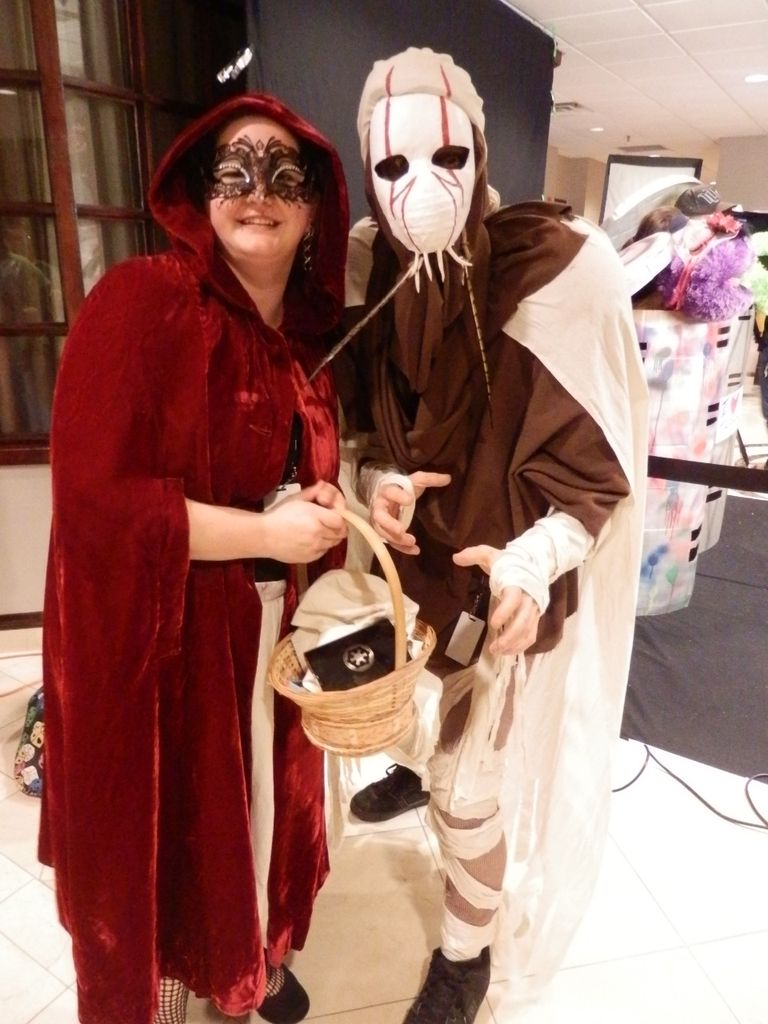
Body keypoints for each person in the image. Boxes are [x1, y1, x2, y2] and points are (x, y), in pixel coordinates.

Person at [331, 48, 649, 1023]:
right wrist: (379, 483)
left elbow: (596, 475)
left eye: (445, 157)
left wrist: (529, 564)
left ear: (477, 147)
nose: (421, 189)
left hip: (508, 583)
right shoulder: (369, 265)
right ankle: (417, 777)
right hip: (422, 576)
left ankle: (465, 957)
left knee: (473, 796)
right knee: (423, 728)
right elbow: (359, 429)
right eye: (392, 167)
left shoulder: (558, 268)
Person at [39, 93, 350, 1024]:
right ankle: (179, 987)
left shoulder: (305, 346)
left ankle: (248, 964)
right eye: (235, 172)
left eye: (285, 177)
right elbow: (95, 502)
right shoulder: (143, 301)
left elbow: (293, 478)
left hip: (272, 642)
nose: (259, 194)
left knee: (257, 827)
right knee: (177, 845)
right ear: (202, 193)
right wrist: (264, 536)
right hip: (171, 653)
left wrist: (350, 501)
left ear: (314, 208)